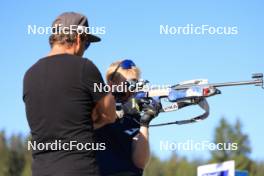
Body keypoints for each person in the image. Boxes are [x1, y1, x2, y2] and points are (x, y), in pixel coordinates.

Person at [23, 12, 116, 176]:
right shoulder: (85, 68)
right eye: (87, 44)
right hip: (79, 169)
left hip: (40, 171)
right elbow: (110, 114)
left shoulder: (29, 75)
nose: (85, 50)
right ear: (78, 38)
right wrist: (91, 120)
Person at [95, 60, 160, 176]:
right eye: (127, 84)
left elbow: (140, 163)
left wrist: (145, 124)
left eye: (134, 85)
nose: (131, 91)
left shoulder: (134, 117)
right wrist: (123, 109)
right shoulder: (97, 106)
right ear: (111, 84)